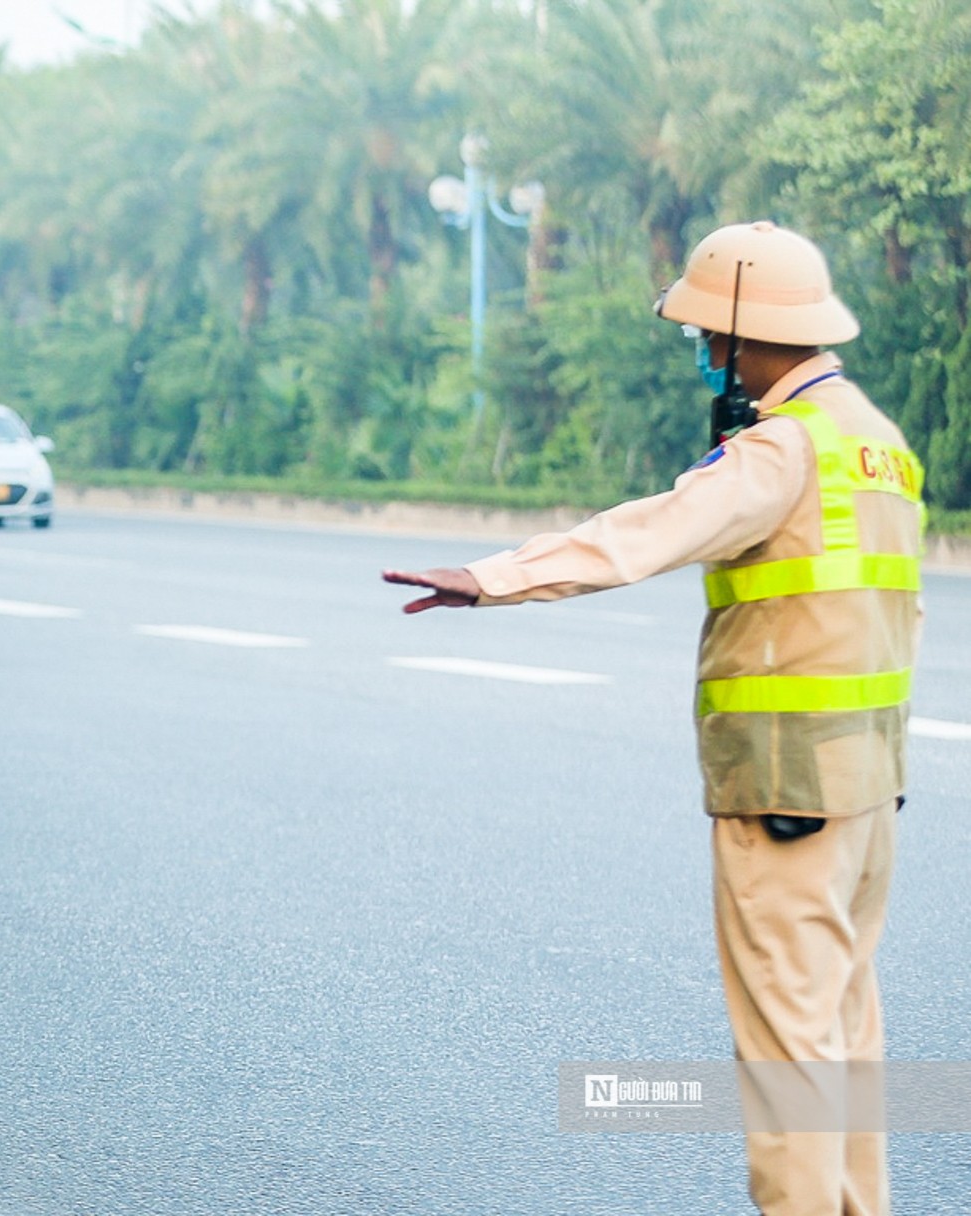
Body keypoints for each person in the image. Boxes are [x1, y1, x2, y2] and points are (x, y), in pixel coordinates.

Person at [384, 221, 920, 1216]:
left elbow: (648, 532)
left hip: (784, 792)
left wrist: (492, 578)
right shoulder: (877, 444)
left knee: (788, 1053)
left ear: (742, 333)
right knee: (845, 1037)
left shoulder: (779, 450)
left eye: (709, 339)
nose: (709, 357)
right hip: (866, 793)